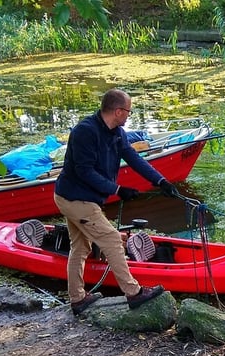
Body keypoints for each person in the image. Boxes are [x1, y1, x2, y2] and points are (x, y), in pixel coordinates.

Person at [54, 88, 179, 314]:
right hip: (74, 198)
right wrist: (118, 189)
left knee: (80, 247)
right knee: (112, 240)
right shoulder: (85, 132)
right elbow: (85, 172)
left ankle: (78, 299)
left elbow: (133, 158)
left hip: (83, 198)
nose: (129, 116)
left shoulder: (117, 132)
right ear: (118, 111)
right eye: (128, 112)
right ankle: (133, 293)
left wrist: (160, 181)